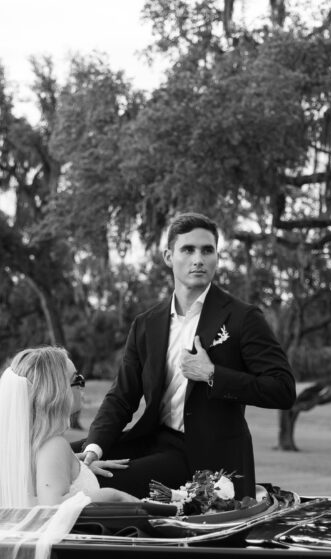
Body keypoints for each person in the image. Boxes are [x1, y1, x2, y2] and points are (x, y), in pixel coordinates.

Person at [80, 212, 296, 499]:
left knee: (96, 485)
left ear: (217, 257)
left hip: (205, 459)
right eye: (188, 249)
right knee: (63, 463)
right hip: (153, 440)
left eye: (207, 250)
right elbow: (122, 397)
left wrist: (212, 375)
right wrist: (94, 449)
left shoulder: (243, 318)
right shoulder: (147, 324)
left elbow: (283, 389)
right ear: (169, 256)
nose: (199, 259)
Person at [0, 347, 138, 507]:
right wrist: (112, 495)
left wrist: (75, 467)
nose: (82, 386)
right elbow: (53, 507)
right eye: (77, 380)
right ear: (55, 392)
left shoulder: (19, 445)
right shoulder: (54, 445)